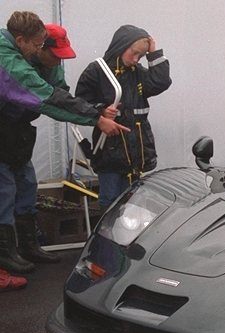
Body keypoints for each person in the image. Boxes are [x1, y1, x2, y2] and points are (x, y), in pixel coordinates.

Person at [1, 11, 128, 285]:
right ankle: (5, 256)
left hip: (17, 133)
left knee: (26, 185)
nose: (59, 61)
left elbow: (61, 98)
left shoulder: (46, 61)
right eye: (52, 53)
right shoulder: (9, 60)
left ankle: (28, 246)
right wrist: (95, 118)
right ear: (29, 44)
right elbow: (45, 98)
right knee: (4, 192)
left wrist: (95, 111)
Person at [75, 24, 172, 208]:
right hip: (109, 153)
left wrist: (154, 53)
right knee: (110, 202)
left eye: (140, 56)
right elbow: (80, 102)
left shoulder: (138, 73)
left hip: (137, 154)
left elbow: (160, 83)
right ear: (121, 46)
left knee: (134, 204)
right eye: (134, 53)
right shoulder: (97, 70)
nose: (136, 60)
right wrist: (101, 110)